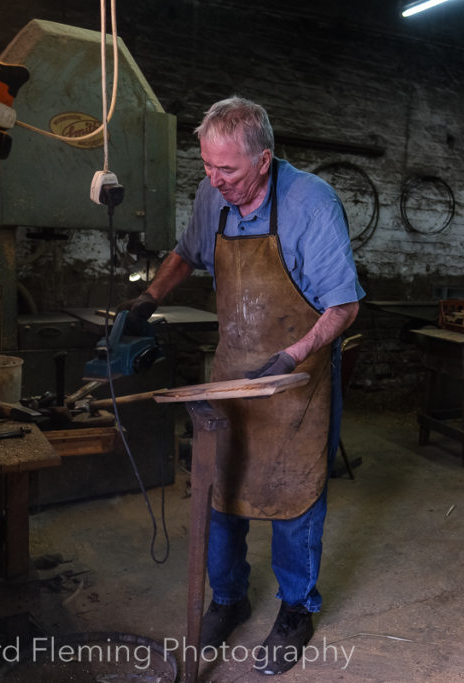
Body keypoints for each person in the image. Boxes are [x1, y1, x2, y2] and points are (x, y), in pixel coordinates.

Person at [121, 95, 364, 675]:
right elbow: (185, 253)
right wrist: (148, 299)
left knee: (293, 497)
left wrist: (295, 354)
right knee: (217, 490)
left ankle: (296, 610)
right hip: (232, 372)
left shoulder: (311, 204)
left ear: (263, 160)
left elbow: (344, 306)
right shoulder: (214, 195)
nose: (214, 180)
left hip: (294, 377)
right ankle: (228, 600)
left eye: (226, 169)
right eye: (206, 166)